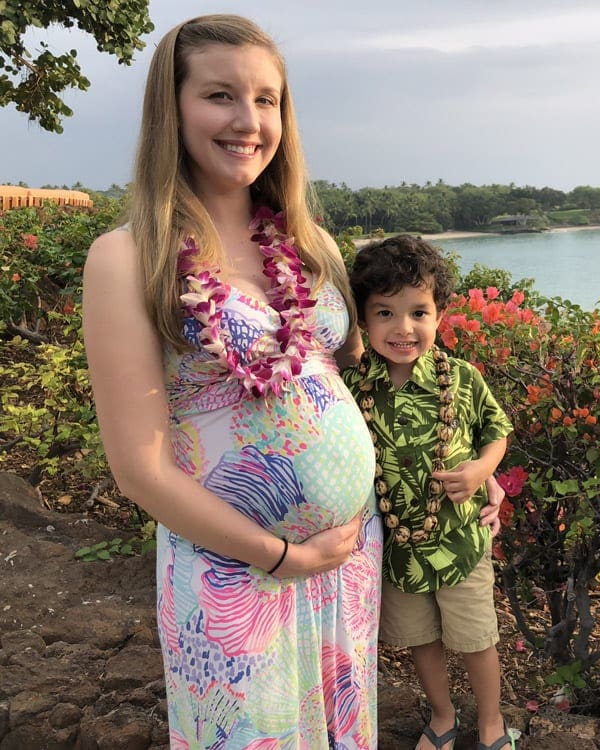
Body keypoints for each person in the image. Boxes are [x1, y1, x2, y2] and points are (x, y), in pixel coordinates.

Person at [82, 15, 383, 747]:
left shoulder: (310, 243)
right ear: (172, 107)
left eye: (267, 100)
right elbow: (139, 468)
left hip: (346, 563)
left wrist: (469, 463)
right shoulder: (128, 257)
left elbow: (345, 383)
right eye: (220, 95)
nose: (249, 121)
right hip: (235, 577)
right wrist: (281, 555)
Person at [343, 236, 516, 750]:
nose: (403, 328)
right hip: (399, 550)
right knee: (421, 640)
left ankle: (491, 723)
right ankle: (442, 718)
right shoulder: (355, 387)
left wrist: (482, 470)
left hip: (461, 539)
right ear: (363, 320)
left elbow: (496, 430)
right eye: (385, 313)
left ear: (440, 313)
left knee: (477, 638)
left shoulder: (461, 379)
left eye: (419, 311)